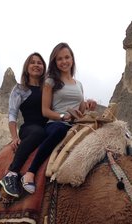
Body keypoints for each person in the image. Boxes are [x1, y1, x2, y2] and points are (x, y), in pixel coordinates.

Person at [20, 42, 96, 194]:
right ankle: (30, 172)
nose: (64, 61)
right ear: (55, 62)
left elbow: (80, 110)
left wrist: (88, 105)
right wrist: (63, 116)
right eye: (59, 59)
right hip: (56, 123)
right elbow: (45, 111)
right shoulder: (50, 82)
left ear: (72, 59)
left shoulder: (78, 84)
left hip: (75, 124)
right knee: (60, 130)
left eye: (67, 57)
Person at [0, 52, 48, 198]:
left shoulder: (48, 88)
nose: (36, 65)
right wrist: (14, 137)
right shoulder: (20, 89)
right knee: (38, 132)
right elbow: (12, 114)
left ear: (43, 67)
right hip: (30, 129)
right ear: (27, 67)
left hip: (47, 126)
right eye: (32, 62)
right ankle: (12, 173)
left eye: (39, 63)